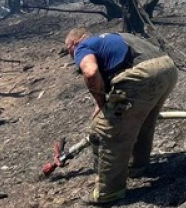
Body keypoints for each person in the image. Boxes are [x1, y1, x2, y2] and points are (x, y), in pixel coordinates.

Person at [64, 27, 178, 206]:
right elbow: (107, 76)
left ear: (74, 43)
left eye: (68, 51)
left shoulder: (83, 47)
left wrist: (102, 105)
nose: (72, 57)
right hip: (167, 68)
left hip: (142, 75)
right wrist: (100, 103)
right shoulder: (112, 38)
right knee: (143, 121)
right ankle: (137, 167)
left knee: (105, 131)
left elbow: (91, 72)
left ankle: (109, 192)